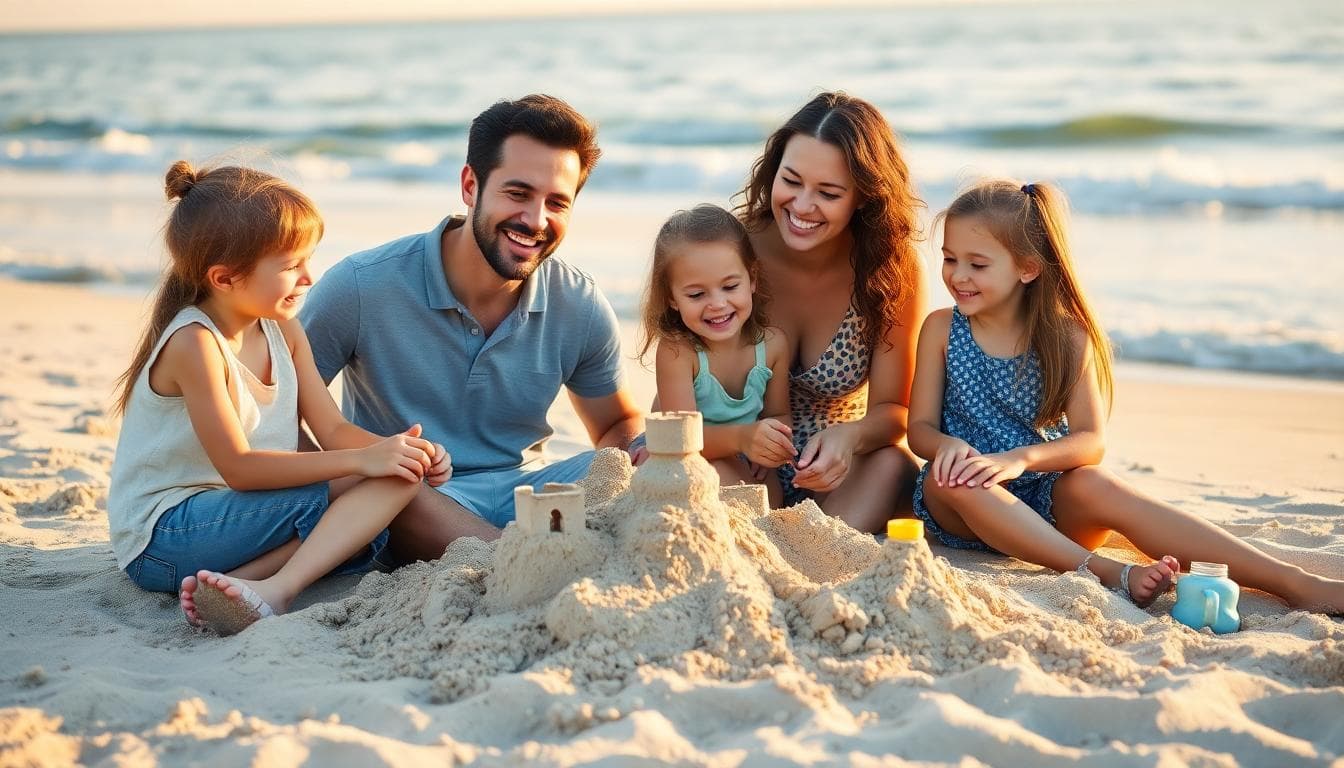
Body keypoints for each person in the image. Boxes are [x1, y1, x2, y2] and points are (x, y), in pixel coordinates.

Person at [908, 178, 1343, 612]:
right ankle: (1110, 573)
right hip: (964, 512)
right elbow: (919, 430)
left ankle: (1293, 581)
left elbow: (1090, 442)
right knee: (952, 477)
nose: (957, 275)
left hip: (1048, 502)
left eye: (977, 264)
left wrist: (1019, 459)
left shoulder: (1066, 336)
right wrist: (951, 448)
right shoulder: (942, 328)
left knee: (1096, 483)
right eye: (949, 259)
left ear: (1028, 268)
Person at [108, 161, 450, 635]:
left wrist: (397, 451)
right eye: (291, 266)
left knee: (400, 475)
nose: (309, 278)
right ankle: (279, 588)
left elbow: (330, 430)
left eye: (307, 261)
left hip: (239, 521)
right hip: (166, 538)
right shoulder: (195, 343)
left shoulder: (283, 330)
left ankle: (245, 581)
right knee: (364, 485)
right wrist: (363, 462)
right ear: (225, 279)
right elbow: (241, 468)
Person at [301, 94, 642, 561]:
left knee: (634, 465)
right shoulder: (360, 285)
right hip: (411, 497)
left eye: (557, 203)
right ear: (469, 185)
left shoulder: (579, 303)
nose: (536, 220)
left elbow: (616, 424)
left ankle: (525, 552)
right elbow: (277, 408)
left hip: (528, 490)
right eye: (518, 193)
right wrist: (342, 474)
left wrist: (638, 457)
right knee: (390, 485)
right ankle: (514, 558)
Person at [736, 92, 927, 531]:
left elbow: (895, 409)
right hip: (743, 459)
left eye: (828, 193)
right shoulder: (735, 249)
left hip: (840, 468)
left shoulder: (890, 268)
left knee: (892, 464)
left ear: (862, 197)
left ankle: (812, 546)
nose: (802, 206)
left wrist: (849, 436)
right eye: (792, 180)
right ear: (774, 171)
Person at [634, 204, 793, 506]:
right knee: (706, 477)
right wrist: (742, 437)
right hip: (675, 452)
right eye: (696, 295)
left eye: (730, 286)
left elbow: (778, 414)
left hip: (742, 450)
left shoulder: (772, 345)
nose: (718, 304)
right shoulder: (678, 351)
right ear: (672, 298)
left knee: (771, 495)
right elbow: (679, 439)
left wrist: (771, 445)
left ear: (752, 278)